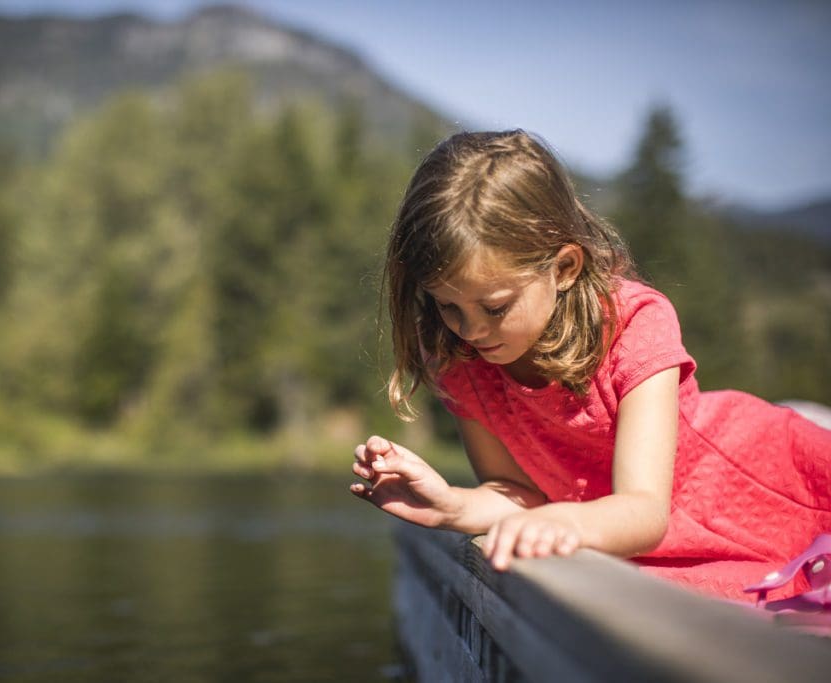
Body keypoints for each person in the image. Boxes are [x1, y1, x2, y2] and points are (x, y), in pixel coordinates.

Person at [350, 130, 831, 601]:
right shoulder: (460, 361)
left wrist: (565, 522)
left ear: (563, 269)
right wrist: (450, 505)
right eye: (448, 307)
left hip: (766, 489)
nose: (470, 330)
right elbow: (520, 494)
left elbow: (643, 513)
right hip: (659, 547)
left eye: (495, 307)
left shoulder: (633, 324)